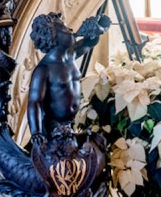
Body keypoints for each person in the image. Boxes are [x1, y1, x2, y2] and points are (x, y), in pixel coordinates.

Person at [27, 11, 110, 147]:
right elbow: (35, 102)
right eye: (65, 29)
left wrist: (98, 27)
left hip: (72, 124)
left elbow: (89, 42)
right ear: (53, 36)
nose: (70, 30)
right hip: (53, 129)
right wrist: (36, 132)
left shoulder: (70, 55)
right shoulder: (43, 69)